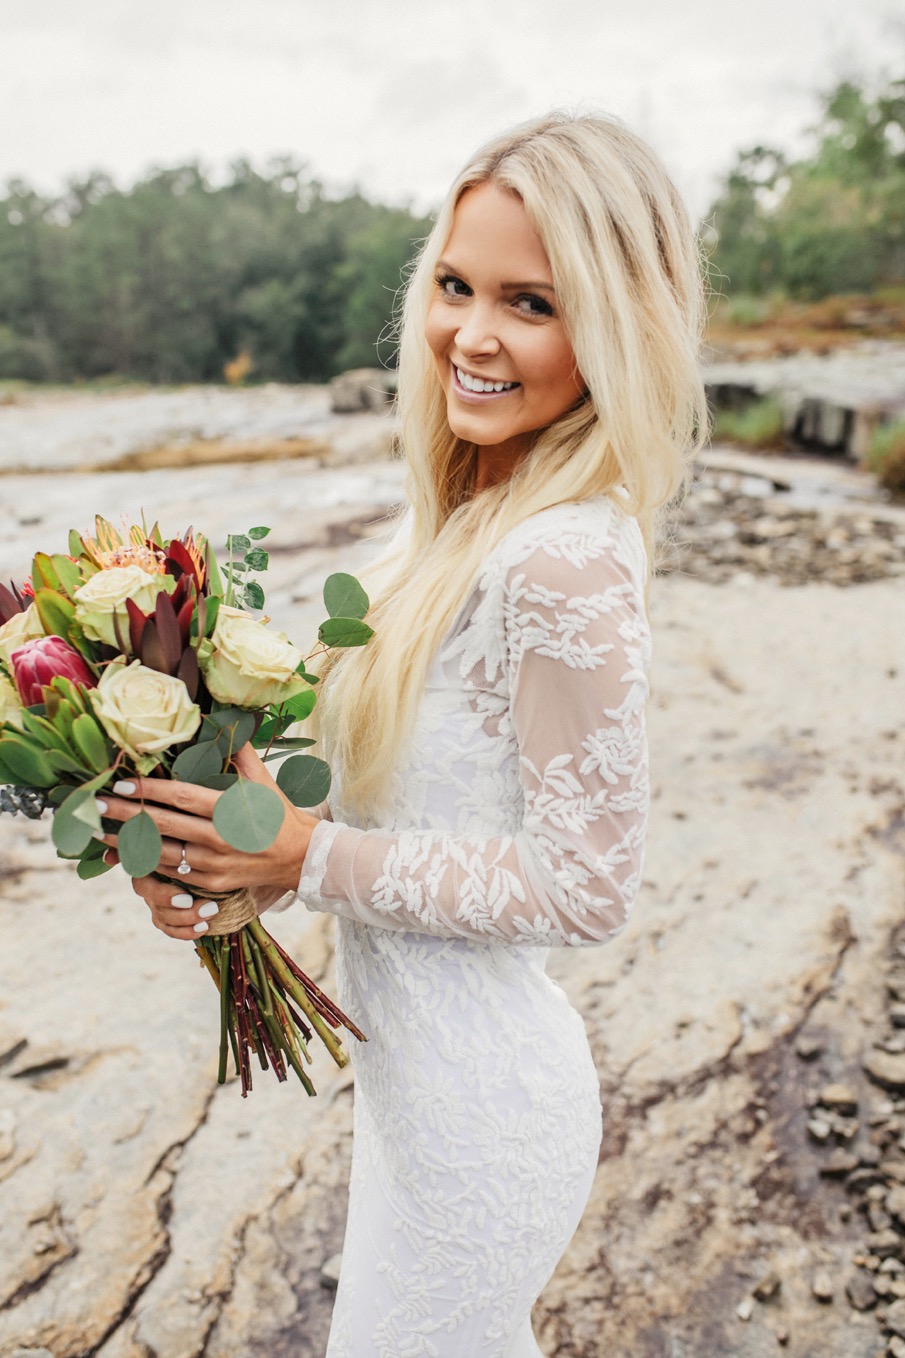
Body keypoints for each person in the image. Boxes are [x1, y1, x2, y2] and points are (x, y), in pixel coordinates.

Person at [98, 111, 707, 1358]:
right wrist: (225, 860)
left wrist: (302, 860)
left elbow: (585, 883)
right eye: (453, 284)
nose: (470, 336)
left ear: (615, 325)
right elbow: (403, 815)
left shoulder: (561, 557)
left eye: (530, 302)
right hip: (411, 1096)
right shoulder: (457, 522)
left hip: (486, 1110)